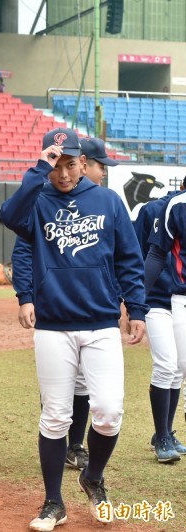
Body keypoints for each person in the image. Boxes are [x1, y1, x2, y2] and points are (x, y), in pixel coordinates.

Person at [0, 127, 147, 531]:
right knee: (55, 417)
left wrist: (136, 308)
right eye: (55, 164)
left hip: (100, 322)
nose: (63, 173)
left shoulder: (108, 201)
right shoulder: (36, 200)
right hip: (53, 325)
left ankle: (93, 476)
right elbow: (10, 222)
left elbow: (129, 260)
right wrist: (25, 296)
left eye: (70, 164)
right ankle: (53, 502)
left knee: (109, 412)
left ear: (84, 163)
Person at [136, 175, 186, 464]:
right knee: (166, 363)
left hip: (177, 298)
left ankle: (165, 432)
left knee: (178, 367)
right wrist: (134, 300)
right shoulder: (154, 210)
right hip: (156, 299)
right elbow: (140, 253)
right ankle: (162, 435)